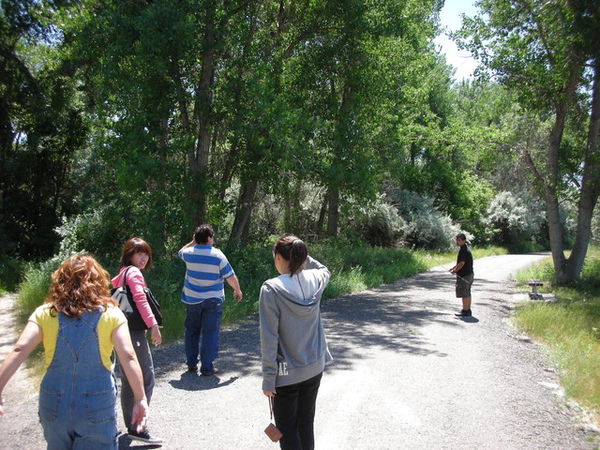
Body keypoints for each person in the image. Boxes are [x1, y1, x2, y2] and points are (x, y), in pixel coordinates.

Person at [0, 254, 148, 449]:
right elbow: (128, 356)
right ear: (98, 281)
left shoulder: (45, 312)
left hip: (53, 403)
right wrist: (140, 398)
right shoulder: (111, 314)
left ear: (60, 281)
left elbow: (19, 349)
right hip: (96, 404)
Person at [260, 235, 331, 450]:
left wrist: (268, 379)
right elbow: (324, 269)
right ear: (300, 257)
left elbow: (269, 337)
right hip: (315, 366)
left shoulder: (271, 289)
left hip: (286, 373)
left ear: (280, 257)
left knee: (288, 428)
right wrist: (302, 257)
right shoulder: (315, 279)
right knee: (305, 423)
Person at [112, 237, 163, 444]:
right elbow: (141, 300)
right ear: (130, 255)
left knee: (128, 379)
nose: (143, 258)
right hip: (134, 332)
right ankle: (138, 427)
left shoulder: (121, 273)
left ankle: (131, 424)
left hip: (120, 331)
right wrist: (153, 326)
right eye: (139, 253)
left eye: (146, 254)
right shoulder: (133, 273)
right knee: (145, 377)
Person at [179, 224, 243, 375]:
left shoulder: (188, 253)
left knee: (191, 331)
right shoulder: (218, 255)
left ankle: (191, 363)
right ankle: (207, 367)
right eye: (212, 236)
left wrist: (193, 241)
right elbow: (230, 276)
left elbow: (180, 251)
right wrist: (237, 289)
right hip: (213, 300)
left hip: (192, 299)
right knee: (210, 332)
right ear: (209, 238)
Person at [449, 233, 474, 317]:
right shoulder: (464, 249)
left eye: (459, 240)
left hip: (465, 275)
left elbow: (462, 263)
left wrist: (455, 271)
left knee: (465, 293)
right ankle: (467, 310)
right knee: (467, 292)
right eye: (457, 240)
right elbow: (460, 262)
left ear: (464, 241)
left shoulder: (464, 250)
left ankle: (465, 311)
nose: (457, 242)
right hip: (469, 274)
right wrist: (453, 268)